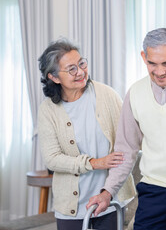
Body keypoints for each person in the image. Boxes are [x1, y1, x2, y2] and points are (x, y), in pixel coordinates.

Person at [87, 27, 166, 230]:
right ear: (143, 57)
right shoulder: (136, 92)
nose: (159, 71)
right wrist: (107, 192)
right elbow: (125, 151)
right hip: (152, 191)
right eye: (152, 63)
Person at [37, 39, 136, 230]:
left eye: (82, 63)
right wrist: (95, 163)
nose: (81, 72)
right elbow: (52, 159)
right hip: (70, 207)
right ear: (55, 77)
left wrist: (109, 191)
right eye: (71, 69)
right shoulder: (48, 110)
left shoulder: (106, 95)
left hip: (109, 201)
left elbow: (127, 143)